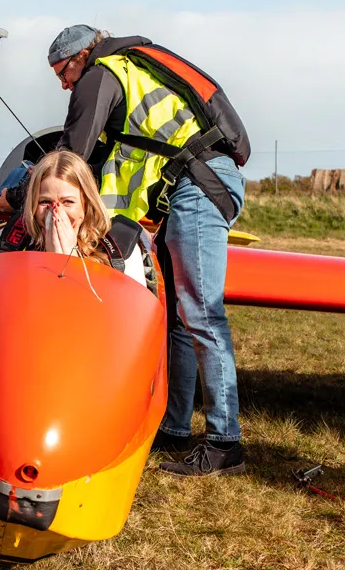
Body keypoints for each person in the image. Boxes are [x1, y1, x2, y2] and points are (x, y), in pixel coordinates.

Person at [46, 24, 249, 477]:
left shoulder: (101, 74)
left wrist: (26, 189)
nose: (64, 84)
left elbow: (71, 157)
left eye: (64, 72)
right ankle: (174, 428)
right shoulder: (129, 71)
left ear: (84, 55)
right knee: (180, 317)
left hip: (199, 185)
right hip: (195, 183)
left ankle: (224, 443)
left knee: (202, 313)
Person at [0, 149, 154, 289]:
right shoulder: (2, 243)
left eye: (68, 202)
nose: (56, 212)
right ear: (33, 205)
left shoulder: (121, 250)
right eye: (45, 202)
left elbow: (131, 315)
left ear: (86, 203)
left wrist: (70, 263)